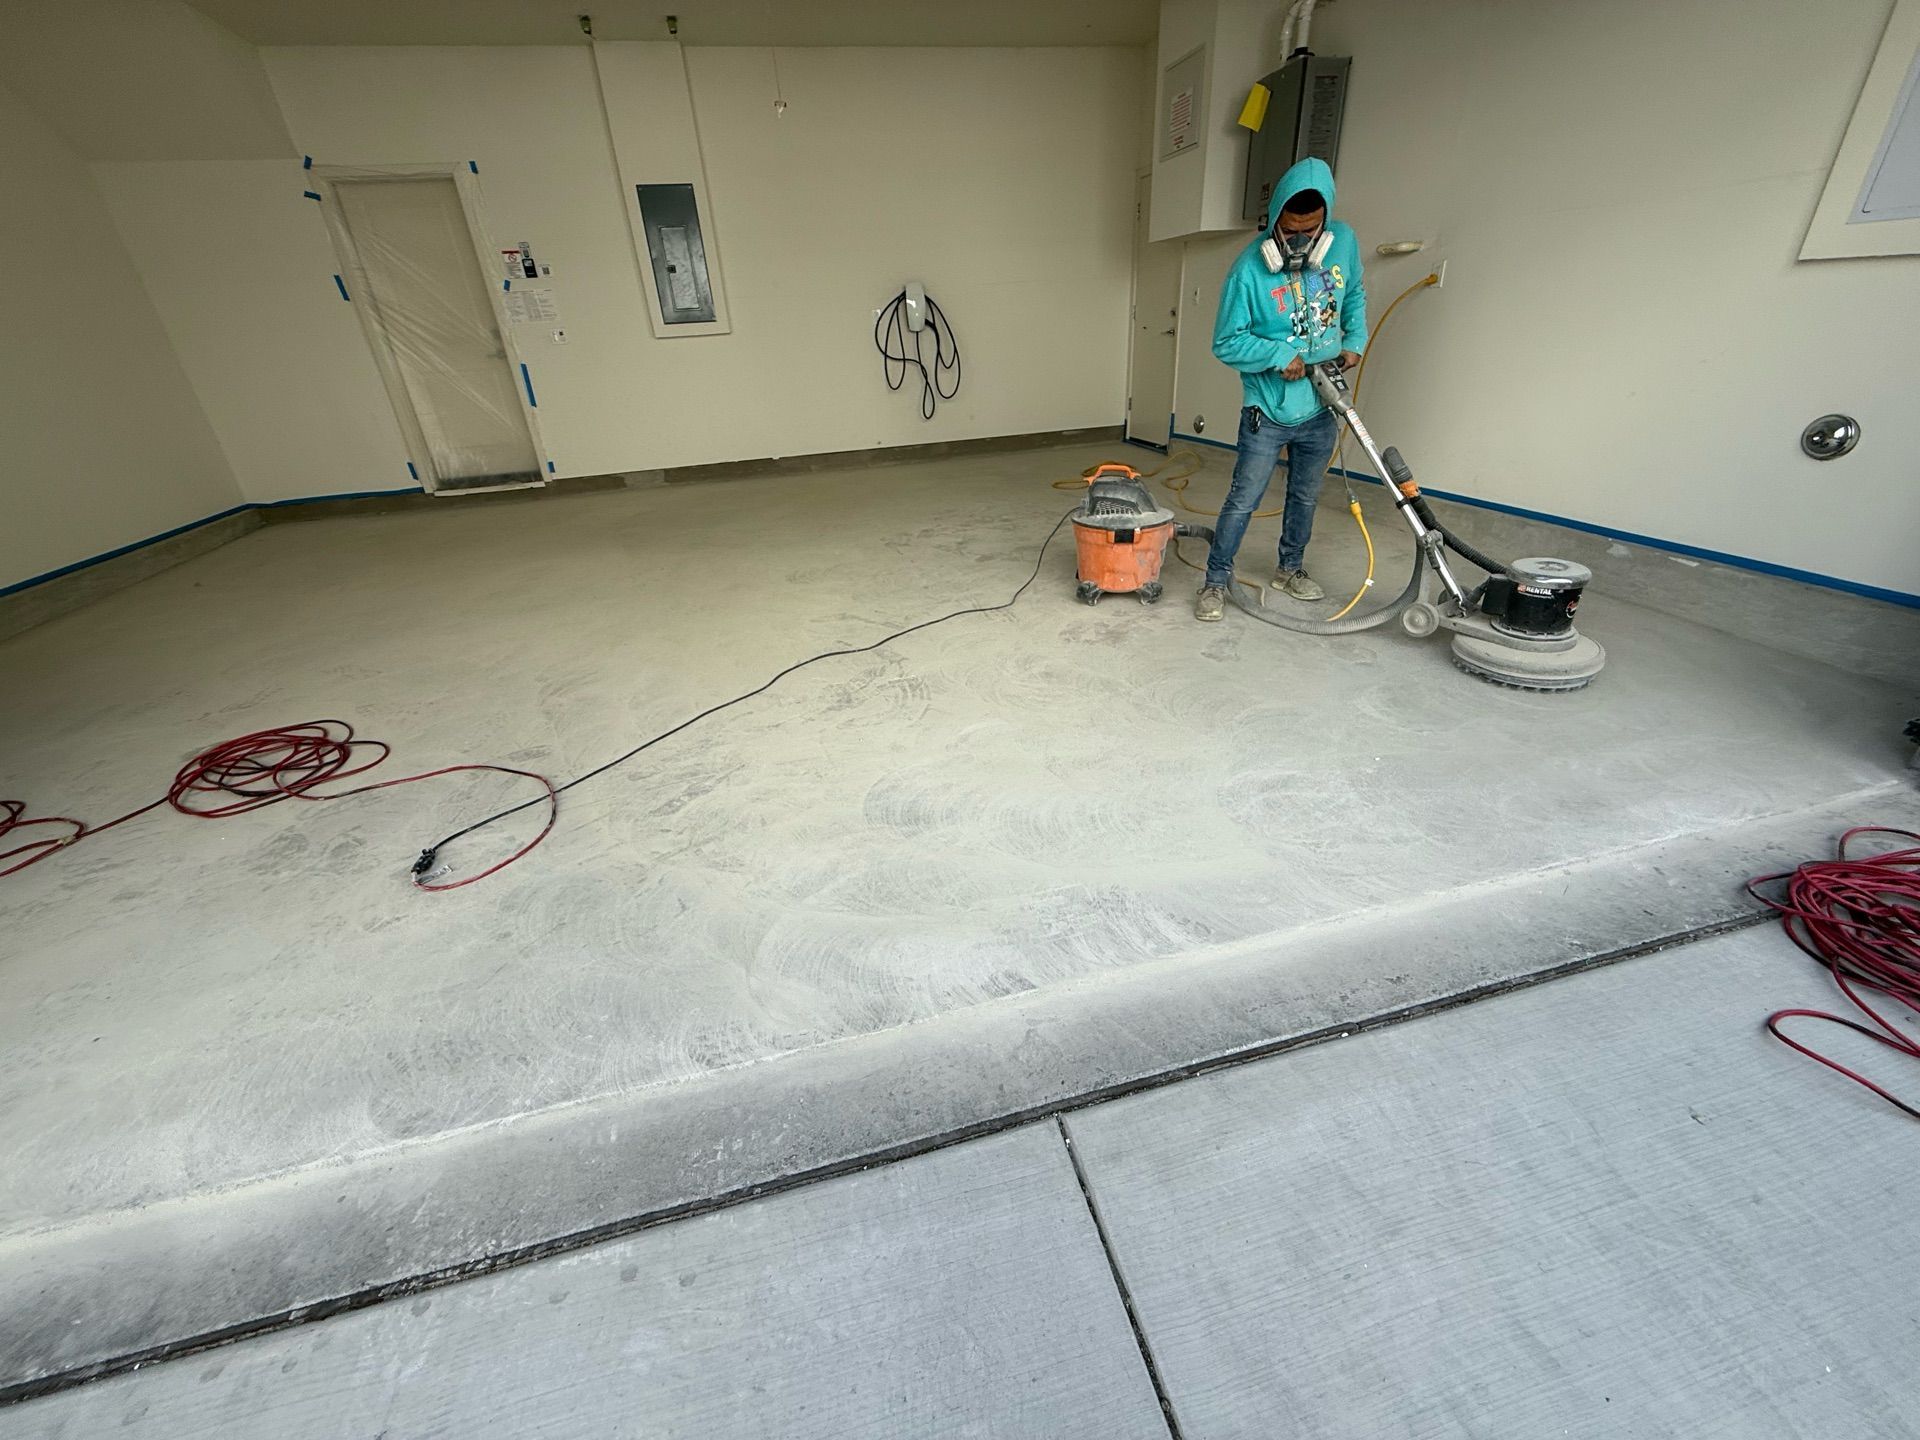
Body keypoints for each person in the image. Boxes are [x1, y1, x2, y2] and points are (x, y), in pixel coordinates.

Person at [1195, 156, 1367, 622]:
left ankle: (1290, 568)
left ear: (1324, 222)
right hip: (1268, 407)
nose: (1299, 242)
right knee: (1244, 498)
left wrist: (1353, 341)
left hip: (1321, 401)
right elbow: (1226, 341)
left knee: (1306, 495)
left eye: (1309, 232)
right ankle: (1215, 580)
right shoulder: (1248, 270)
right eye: (1289, 232)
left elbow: (1353, 294)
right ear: (1275, 223)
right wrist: (1278, 356)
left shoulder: (1344, 243)